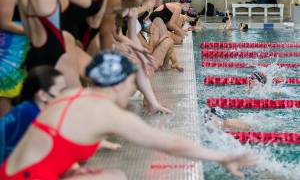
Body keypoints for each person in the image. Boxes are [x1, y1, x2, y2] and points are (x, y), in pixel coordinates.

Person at [0, 51, 256, 179]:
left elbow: (50, 145)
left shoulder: (71, 96)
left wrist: (68, 168)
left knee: (115, 176)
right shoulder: (107, 113)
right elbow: (171, 144)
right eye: (134, 82)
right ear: (122, 83)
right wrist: (224, 156)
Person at [0, 66, 67, 165]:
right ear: (42, 95)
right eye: (61, 91)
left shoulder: (27, 108)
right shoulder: (33, 117)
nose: (66, 95)